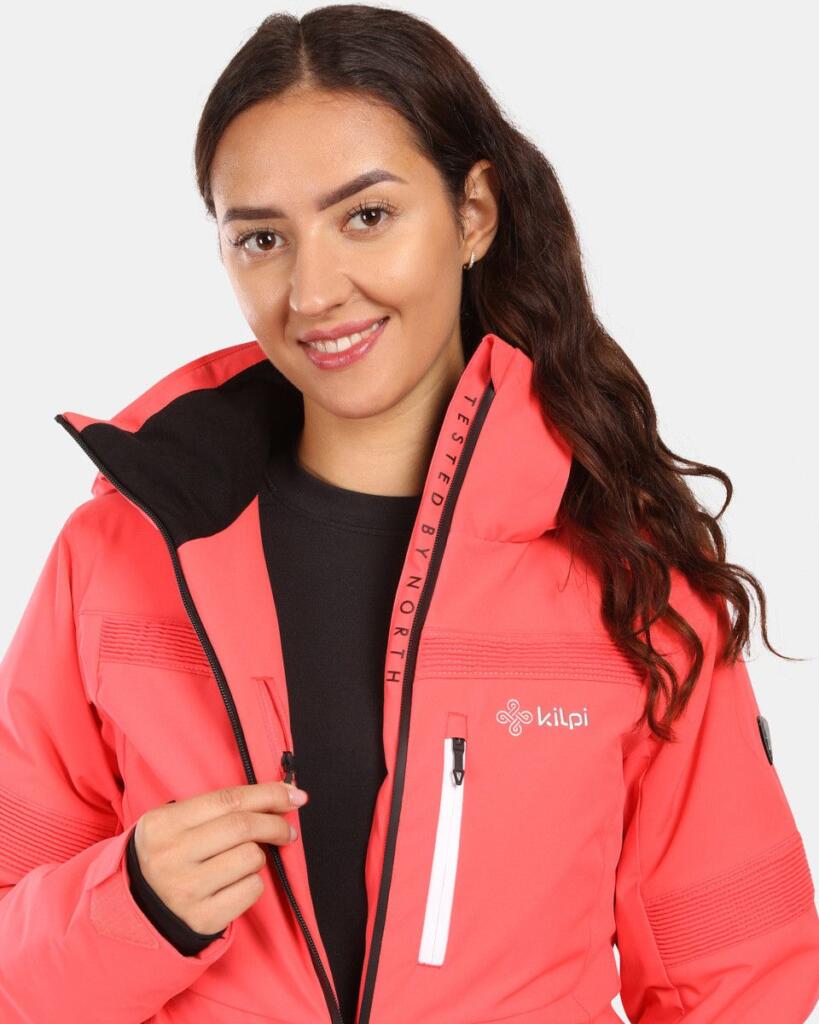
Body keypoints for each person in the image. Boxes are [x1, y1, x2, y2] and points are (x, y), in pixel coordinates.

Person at [1, 6, 818, 1023]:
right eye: (262, 238)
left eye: (367, 217)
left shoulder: (628, 570)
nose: (313, 291)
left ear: (473, 213)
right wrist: (131, 910)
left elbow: (739, 983)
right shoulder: (118, 556)